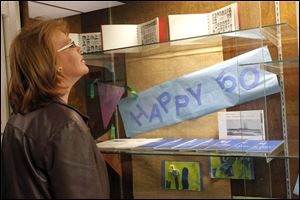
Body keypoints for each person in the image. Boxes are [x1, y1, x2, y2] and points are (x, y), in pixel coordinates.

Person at [1, 18, 110, 198]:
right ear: (51, 63)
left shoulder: (16, 120)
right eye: (70, 45)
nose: (79, 49)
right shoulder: (66, 125)